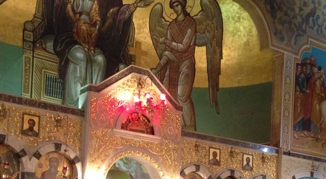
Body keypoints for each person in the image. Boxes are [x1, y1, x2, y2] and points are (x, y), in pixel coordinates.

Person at [38, 0, 149, 108]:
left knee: (100, 60)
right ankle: (72, 106)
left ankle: (93, 107)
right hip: (69, 37)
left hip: (93, 41)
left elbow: (114, 18)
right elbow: (60, 14)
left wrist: (133, 6)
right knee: (80, 56)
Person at [150, 0, 222, 130]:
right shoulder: (171, 26)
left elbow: (184, 46)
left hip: (186, 62)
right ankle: (169, 128)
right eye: (173, 7)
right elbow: (167, 51)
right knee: (165, 95)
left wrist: (166, 41)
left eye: (177, 5)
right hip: (172, 64)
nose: (175, 9)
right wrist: (158, 68)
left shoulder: (191, 23)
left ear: (183, 5)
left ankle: (189, 129)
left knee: (181, 95)